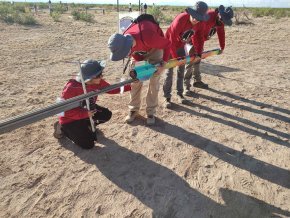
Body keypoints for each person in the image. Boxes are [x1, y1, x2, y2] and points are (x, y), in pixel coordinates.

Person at [53, 60, 131, 149]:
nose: (102, 76)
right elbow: (62, 111)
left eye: (101, 73)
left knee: (106, 114)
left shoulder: (98, 82)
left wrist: (131, 86)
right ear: (89, 78)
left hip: (88, 109)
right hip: (70, 119)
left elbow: (111, 89)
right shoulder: (70, 88)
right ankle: (61, 127)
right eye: (98, 75)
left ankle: (86, 126)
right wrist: (84, 114)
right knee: (88, 144)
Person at [108, 15, 171, 125]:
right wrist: (138, 67)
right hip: (139, 51)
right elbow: (134, 54)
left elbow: (167, 45)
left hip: (154, 48)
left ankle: (151, 111)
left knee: (154, 80)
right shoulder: (124, 38)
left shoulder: (149, 36)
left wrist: (163, 64)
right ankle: (133, 110)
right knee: (135, 80)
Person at [163, 1, 209, 108]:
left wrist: (198, 52)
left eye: (198, 18)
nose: (195, 19)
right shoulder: (180, 19)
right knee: (169, 71)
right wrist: (175, 59)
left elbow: (199, 38)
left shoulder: (200, 22)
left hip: (181, 46)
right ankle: (167, 98)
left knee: (181, 70)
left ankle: (180, 94)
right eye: (194, 16)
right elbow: (171, 40)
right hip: (169, 45)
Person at [183, 5, 234, 94]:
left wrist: (222, 47)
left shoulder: (220, 21)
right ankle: (186, 87)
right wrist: (197, 49)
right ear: (219, 13)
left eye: (224, 21)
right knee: (190, 62)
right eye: (222, 19)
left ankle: (197, 81)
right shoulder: (209, 16)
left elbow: (221, 33)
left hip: (200, 40)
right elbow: (196, 32)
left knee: (197, 61)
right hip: (192, 38)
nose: (222, 22)